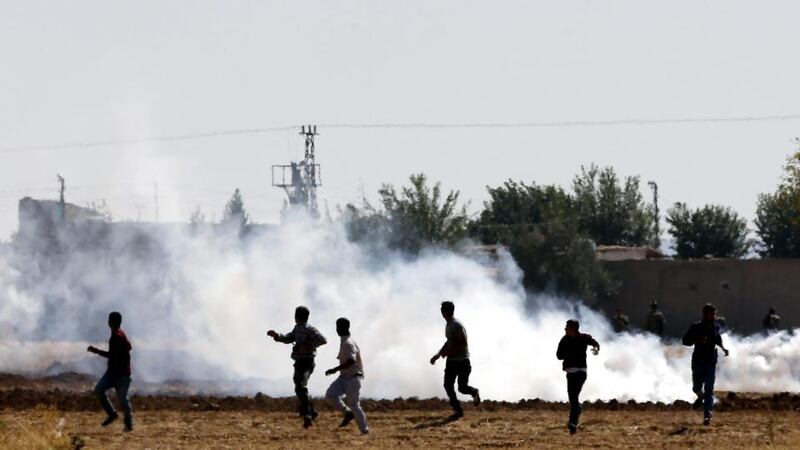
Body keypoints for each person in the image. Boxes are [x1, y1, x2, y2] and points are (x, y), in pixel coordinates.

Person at [268, 306, 327, 428]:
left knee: (301, 386)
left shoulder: (309, 329)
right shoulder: (298, 328)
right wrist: (277, 336)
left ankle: (308, 415)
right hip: (299, 361)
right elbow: (289, 338)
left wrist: (308, 346)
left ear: (299, 316)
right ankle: (311, 411)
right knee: (298, 387)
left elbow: (323, 340)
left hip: (307, 362)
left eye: (296, 315)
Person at [430, 301, 480, 420]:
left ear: (444, 312)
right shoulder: (449, 325)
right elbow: (449, 342)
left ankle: (474, 392)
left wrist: (449, 352)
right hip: (452, 361)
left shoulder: (456, 325)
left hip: (462, 361)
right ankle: (458, 411)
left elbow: (462, 343)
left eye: (442, 311)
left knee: (462, 388)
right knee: (448, 385)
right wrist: (438, 355)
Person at [682, 303, 729, 426]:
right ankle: (700, 396)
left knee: (709, 389)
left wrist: (724, 349)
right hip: (698, 360)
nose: (714, 316)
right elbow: (685, 341)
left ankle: (707, 415)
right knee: (696, 387)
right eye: (711, 314)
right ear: (705, 314)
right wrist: (698, 340)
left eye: (714, 314)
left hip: (711, 361)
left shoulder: (715, 327)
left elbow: (717, 339)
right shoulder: (696, 327)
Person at [87, 311, 133, 432]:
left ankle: (127, 423)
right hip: (115, 372)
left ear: (109, 322)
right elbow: (128, 347)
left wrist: (96, 351)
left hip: (121, 374)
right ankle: (114, 415)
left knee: (122, 399)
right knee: (102, 391)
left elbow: (113, 355)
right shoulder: (119, 334)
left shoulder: (117, 336)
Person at [325, 317, 369, 435]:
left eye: (339, 327)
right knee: (330, 395)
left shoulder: (348, 343)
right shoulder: (344, 341)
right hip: (344, 377)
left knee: (354, 404)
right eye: (337, 327)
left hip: (353, 378)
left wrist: (335, 369)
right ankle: (347, 413)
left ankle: (364, 430)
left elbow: (351, 361)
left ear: (344, 328)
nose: (337, 329)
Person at [556, 319, 600, 435]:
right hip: (570, 372)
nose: (565, 329)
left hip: (580, 372)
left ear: (573, 328)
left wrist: (596, 349)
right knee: (573, 398)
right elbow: (558, 355)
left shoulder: (584, 338)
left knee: (573, 396)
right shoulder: (564, 340)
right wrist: (569, 354)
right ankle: (574, 420)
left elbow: (595, 343)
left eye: (567, 327)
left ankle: (572, 423)